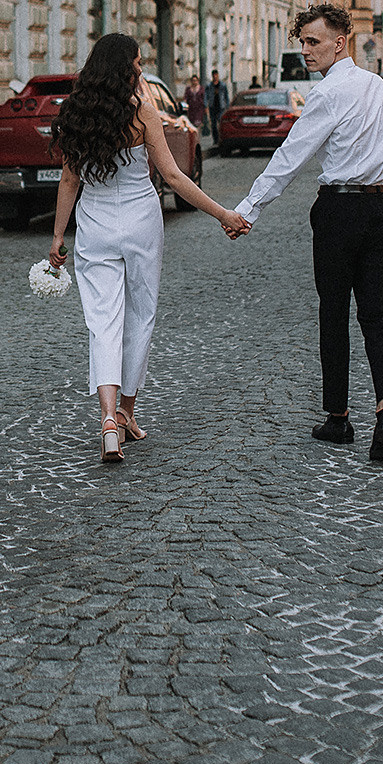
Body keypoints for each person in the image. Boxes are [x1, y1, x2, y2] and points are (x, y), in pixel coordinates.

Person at [50, 34, 246, 463]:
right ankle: (126, 411)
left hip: (95, 224)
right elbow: (174, 178)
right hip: (140, 221)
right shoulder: (143, 112)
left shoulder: (77, 113)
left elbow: (69, 181)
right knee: (140, 316)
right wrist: (223, 214)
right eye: (137, 63)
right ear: (124, 66)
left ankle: (106, 421)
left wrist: (58, 236)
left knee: (103, 322)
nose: (141, 69)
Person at [223, 3, 383, 464]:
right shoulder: (382, 90)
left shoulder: (328, 94)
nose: (304, 50)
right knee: (379, 316)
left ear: (340, 42)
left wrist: (247, 210)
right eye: (302, 41)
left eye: (313, 41)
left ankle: (339, 417)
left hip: (341, 209)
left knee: (334, 312)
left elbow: (290, 157)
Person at [205, 70, 232, 143]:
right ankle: (215, 140)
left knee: (221, 123)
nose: (215, 77)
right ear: (212, 76)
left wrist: (227, 105)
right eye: (214, 75)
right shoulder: (209, 86)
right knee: (213, 125)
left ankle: (221, 138)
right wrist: (205, 105)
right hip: (212, 106)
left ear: (218, 75)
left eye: (216, 75)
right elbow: (206, 96)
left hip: (221, 107)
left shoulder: (222, 85)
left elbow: (226, 96)